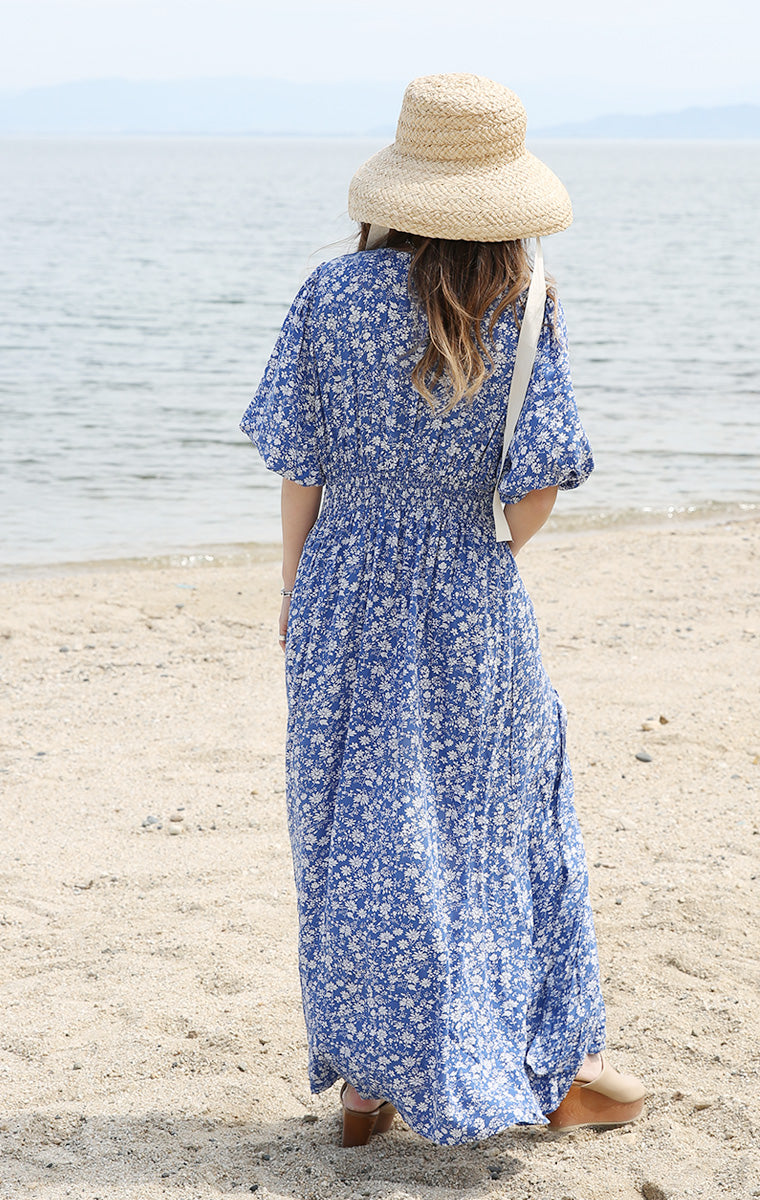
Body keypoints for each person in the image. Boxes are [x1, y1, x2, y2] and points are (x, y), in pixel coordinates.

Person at [240, 72, 645, 1147]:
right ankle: (550, 1064)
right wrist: (477, 556)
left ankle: (365, 1086)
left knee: (352, 822)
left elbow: (300, 460)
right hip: (473, 586)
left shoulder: (330, 294)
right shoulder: (528, 302)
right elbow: (539, 483)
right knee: (499, 817)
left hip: (342, 580)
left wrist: (295, 583)